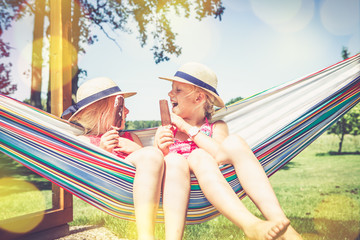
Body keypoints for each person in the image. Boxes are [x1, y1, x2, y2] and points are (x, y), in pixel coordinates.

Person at [155, 62, 303, 240]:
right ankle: (250, 224)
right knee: (197, 155)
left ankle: (283, 226)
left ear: (199, 98)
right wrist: (161, 148)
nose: (170, 94)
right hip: (178, 182)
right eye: (172, 89)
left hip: (212, 178)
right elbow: (157, 166)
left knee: (233, 142)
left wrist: (187, 128)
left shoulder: (216, 127)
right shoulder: (166, 130)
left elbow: (218, 153)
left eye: (178, 90)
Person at [62, 77, 164, 240]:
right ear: (98, 112)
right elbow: (88, 174)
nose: (128, 111)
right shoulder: (85, 142)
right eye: (121, 106)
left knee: (151, 154)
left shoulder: (132, 138)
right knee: (151, 154)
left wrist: (137, 149)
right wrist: (103, 153)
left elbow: (151, 167)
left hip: (138, 190)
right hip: (113, 187)